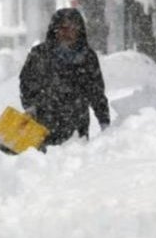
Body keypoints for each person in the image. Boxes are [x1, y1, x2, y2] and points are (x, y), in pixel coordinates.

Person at [19, 8, 110, 148]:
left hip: (76, 129)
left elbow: (96, 92)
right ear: (54, 30)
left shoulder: (88, 57)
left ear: (80, 31)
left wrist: (105, 123)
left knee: (71, 166)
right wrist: (31, 107)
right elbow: (26, 84)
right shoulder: (39, 54)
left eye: (73, 28)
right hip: (43, 127)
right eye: (63, 28)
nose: (68, 33)